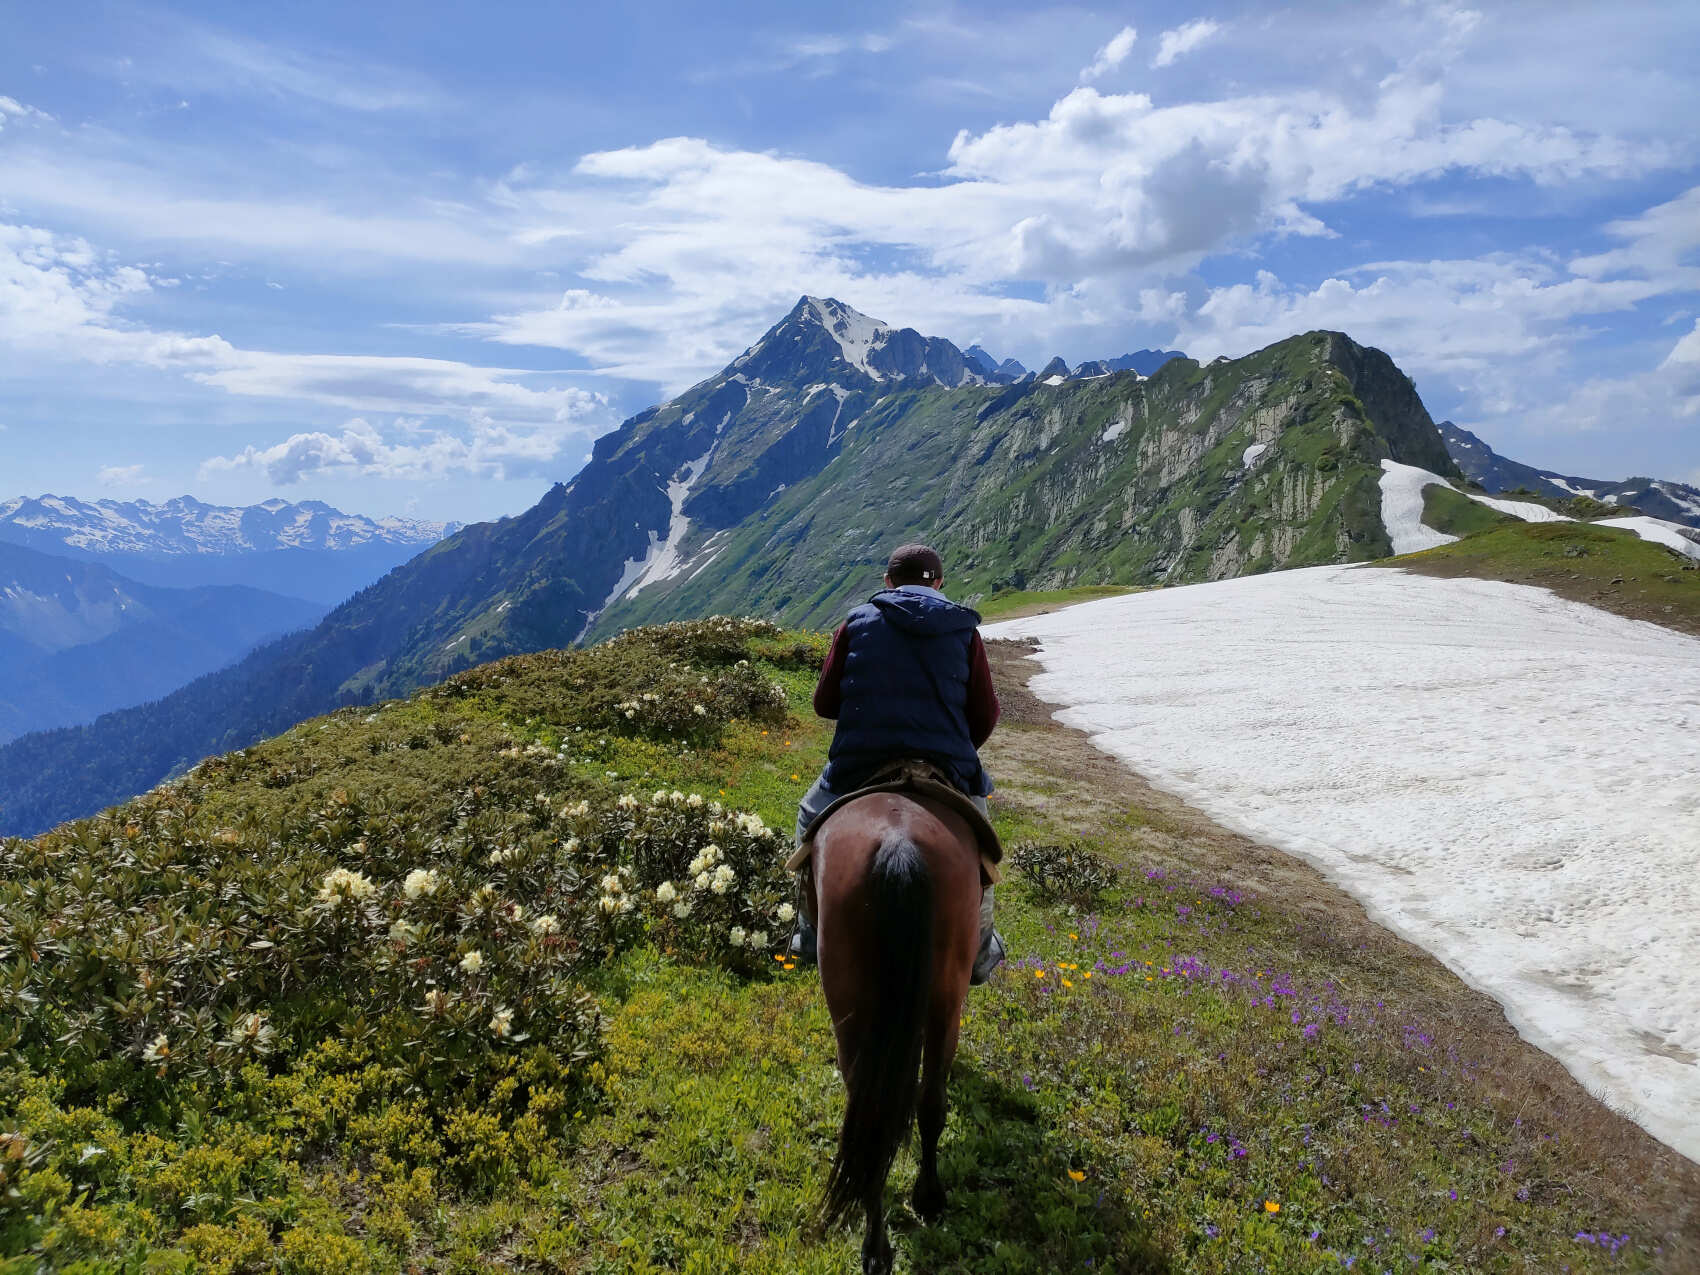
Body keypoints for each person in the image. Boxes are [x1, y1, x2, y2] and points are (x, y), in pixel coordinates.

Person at [788, 543, 1007, 984]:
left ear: (887, 582)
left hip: (860, 763)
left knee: (808, 817)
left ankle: (808, 933)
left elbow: (824, 703)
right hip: (943, 765)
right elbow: (985, 715)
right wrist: (958, 750)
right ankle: (981, 949)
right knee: (982, 849)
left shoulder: (856, 622)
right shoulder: (965, 631)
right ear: (940, 584)